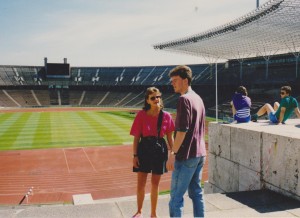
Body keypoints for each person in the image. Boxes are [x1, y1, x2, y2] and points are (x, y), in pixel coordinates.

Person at [167, 65, 206, 217]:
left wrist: (173, 153)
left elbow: (182, 131)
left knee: (176, 197)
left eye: (175, 80)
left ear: (185, 80)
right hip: (200, 153)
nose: (172, 83)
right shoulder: (198, 98)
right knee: (197, 193)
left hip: (186, 155)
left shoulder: (184, 99)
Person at [130, 87, 175, 218]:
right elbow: (136, 137)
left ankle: (153, 214)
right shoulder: (141, 115)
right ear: (147, 100)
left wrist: (173, 153)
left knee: (155, 184)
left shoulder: (166, 116)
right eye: (153, 97)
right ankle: (139, 211)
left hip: (159, 150)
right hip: (143, 148)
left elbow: (170, 137)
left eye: (158, 96)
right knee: (141, 183)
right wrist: (134, 155)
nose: (156, 99)